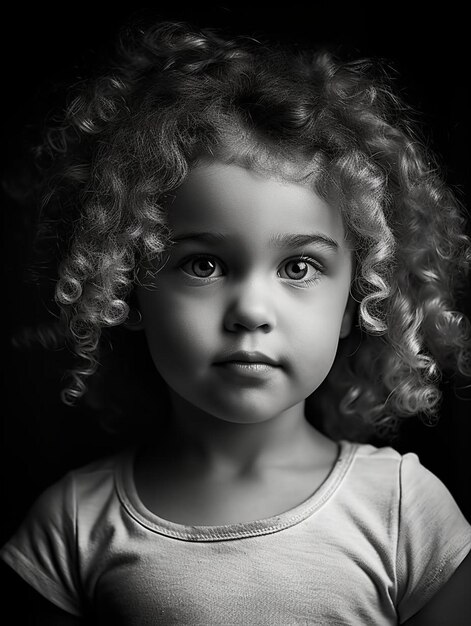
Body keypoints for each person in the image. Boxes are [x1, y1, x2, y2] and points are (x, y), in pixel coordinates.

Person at [1, 17, 471, 625]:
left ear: (362, 297)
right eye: (203, 263)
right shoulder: (72, 526)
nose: (251, 310)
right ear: (127, 287)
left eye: (299, 267)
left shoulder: (407, 512)